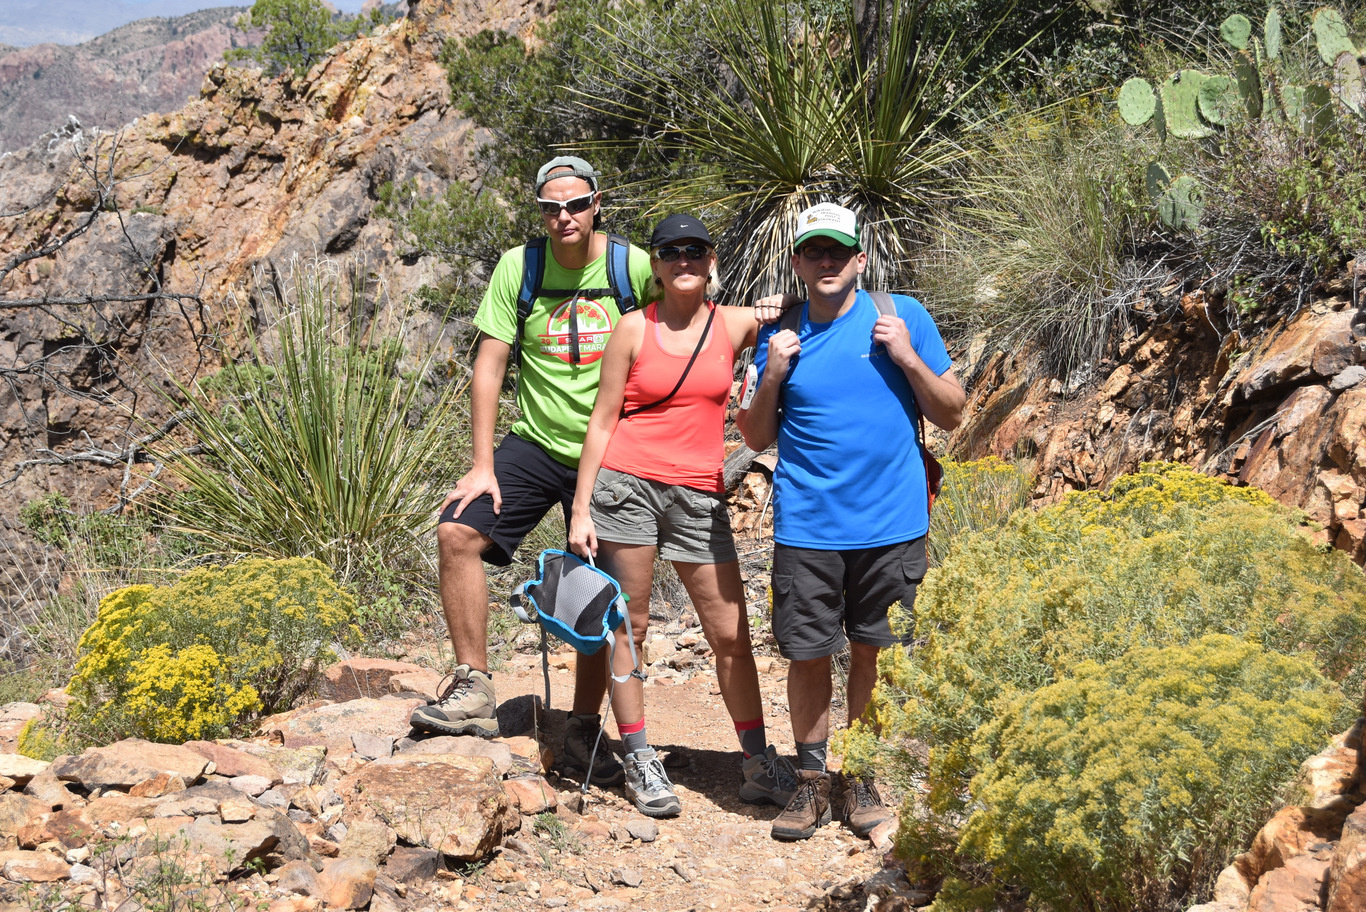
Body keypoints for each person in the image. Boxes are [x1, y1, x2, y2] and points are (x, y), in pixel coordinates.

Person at [410, 156, 659, 790]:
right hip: (538, 444)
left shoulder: (630, 266)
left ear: (597, 203)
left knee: (601, 589)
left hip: (614, 450)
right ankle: (473, 688)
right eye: (551, 207)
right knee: (457, 532)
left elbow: (678, 331)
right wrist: (483, 464)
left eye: (575, 204)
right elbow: (490, 365)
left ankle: (581, 727)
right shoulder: (519, 268)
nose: (564, 217)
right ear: (540, 211)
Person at [736, 202, 966, 842]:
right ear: (799, 261)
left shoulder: (901, 317)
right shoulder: (778, 333)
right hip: (808, 526)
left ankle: (863, 778)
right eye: (815, 251)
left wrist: (910, 361)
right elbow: (753, 434)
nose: (827, 261)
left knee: (875, 650)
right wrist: (774, 374)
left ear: (860, 258)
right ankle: (811, 785)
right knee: (809, 654)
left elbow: (953, 413)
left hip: (893, 523)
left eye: (839, 250)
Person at [568, 214, 797, 818]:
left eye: (695, 250)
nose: (684, 261)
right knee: (630, 628)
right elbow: (602, 420)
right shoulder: (629, 330)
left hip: (699, 493)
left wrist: (781, 302)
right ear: (657, 264)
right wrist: (580, 507)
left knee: (729, 634)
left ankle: (756, 760)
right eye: (671, 252)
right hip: (627, 488)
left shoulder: (735, 323)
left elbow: (810, 307)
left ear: (711, 258)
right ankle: (640, 758)